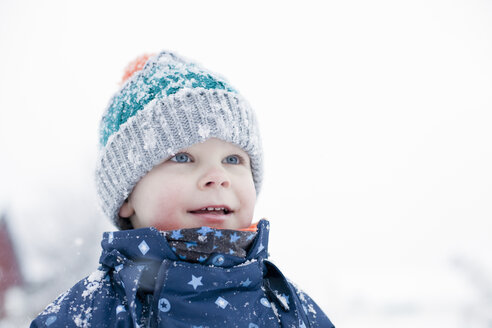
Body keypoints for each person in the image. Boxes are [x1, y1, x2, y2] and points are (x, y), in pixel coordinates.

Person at [30, 51, 335, 327]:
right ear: (127, 195)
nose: (217, 176)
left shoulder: (288, 308)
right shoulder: (92, 311)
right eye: (182, 157)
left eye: (232, 159)